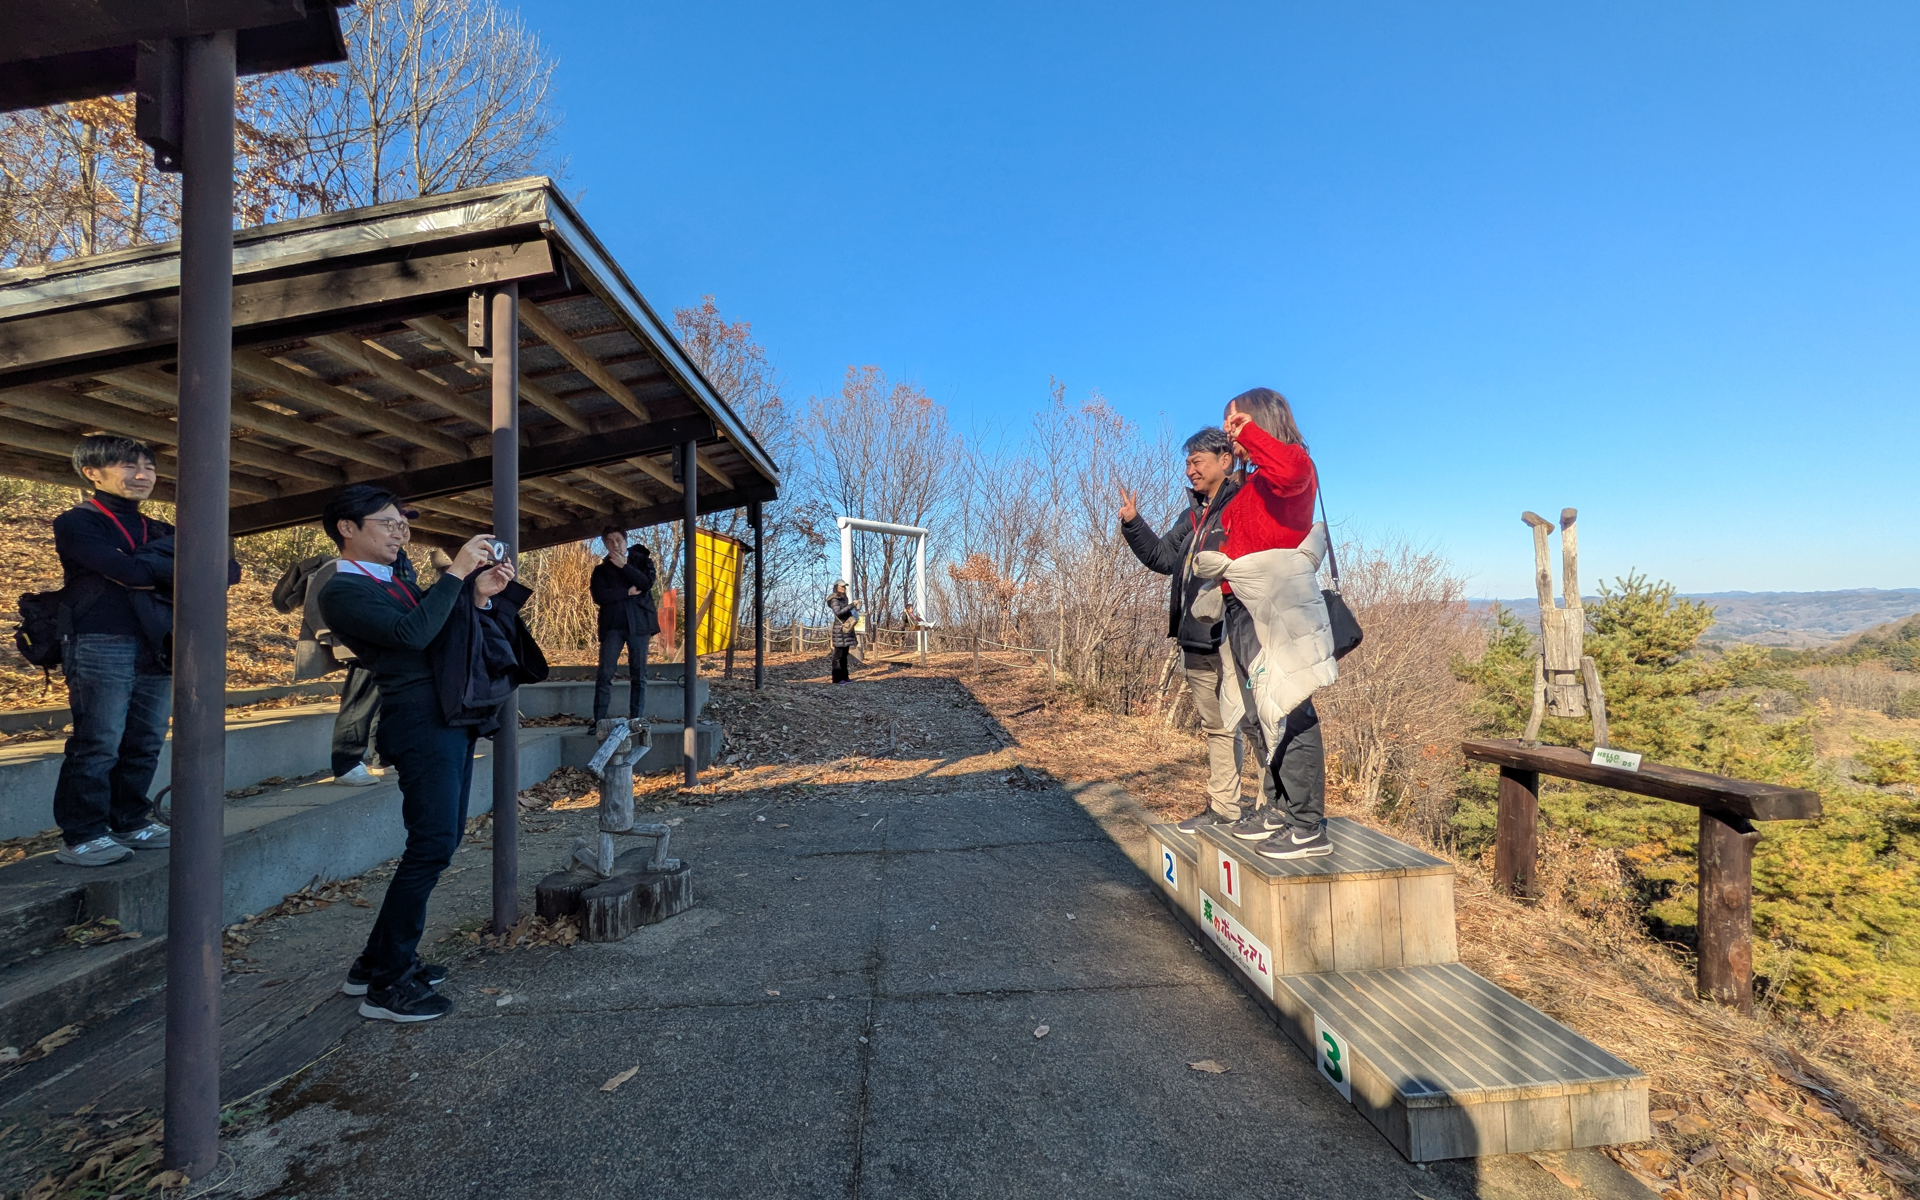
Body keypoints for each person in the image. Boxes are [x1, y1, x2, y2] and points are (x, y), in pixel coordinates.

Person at [315, 484, 522, 1022]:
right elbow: (411, 636)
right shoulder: (340, 588)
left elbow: (442, 632)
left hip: (445, 716)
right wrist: (454, 575)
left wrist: (480, 594)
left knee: (441, 840)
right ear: (348, 528)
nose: (400, 533)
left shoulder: (396, 579)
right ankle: (389, 984)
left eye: (403, 525)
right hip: (419, 722)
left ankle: (372, 964)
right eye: (388, 524)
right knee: (431, 845)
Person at [1204, 387, 1334, 859]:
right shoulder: (1253, 480)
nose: (1231, 434)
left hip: (1276, 608)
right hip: (1242, 607)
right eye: (1228, 426)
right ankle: (1279, 808)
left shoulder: (1292, 466)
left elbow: (1294, 470)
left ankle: (1307, 825)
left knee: (1291, 709)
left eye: (1235, 422)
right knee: (1260, 717)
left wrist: (1251, 435)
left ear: (1259, 420)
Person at [1119, 427, 1248, 832]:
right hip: (1195, 636)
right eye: (1188, 462)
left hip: (1237, 633)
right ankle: (1224, 808)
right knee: (1216, 726)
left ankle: (1270, 811)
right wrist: (1133, 523)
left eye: (1197, 461)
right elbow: (1162, 557)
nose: (1189, 469)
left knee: (1256, 724)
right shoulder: (1193, 516)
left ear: (1224, 460)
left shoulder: (1244, 503)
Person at [589, 527, 658, 723]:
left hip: (639, 626)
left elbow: (646, 583)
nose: (615, 544)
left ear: (626, 541)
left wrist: (624, 567)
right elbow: (600, 596)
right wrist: (626, 592)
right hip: (612, 627)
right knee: (605, 674)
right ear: (605, 544)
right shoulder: (600, 570)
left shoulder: (642, 562)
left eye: (618, 539)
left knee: (638, 675)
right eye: (610, 541)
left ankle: (636, 720)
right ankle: (599, 721)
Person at [827, 581, 858, 684]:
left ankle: (845, 677)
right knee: (838, 656)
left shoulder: (844, 598)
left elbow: (846, 612)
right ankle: (837, 679)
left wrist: (853, 609)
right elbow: (839, 613)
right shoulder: (834, 599)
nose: (844, 588)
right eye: (842, 586)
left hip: (846, 629)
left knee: (845, 655)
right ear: (836, 587)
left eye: (844, 586)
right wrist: (851, 606)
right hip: (839, 630)